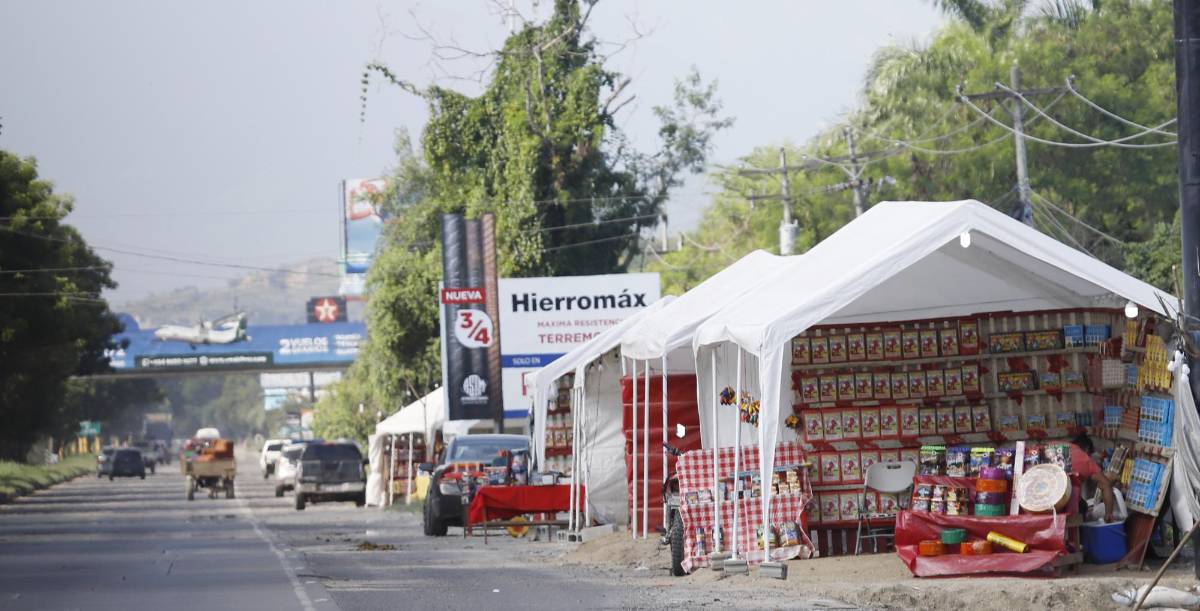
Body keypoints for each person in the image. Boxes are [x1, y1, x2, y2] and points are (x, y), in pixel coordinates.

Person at [1069, 433, 1117, 523]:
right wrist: (1108, 514)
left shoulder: (1058, 447)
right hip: (1064, 503)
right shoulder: (1084, 459)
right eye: (1090, 454)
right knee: (1082, 506)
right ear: (1087, 449)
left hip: (1042, 497)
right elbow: (1106, 484)